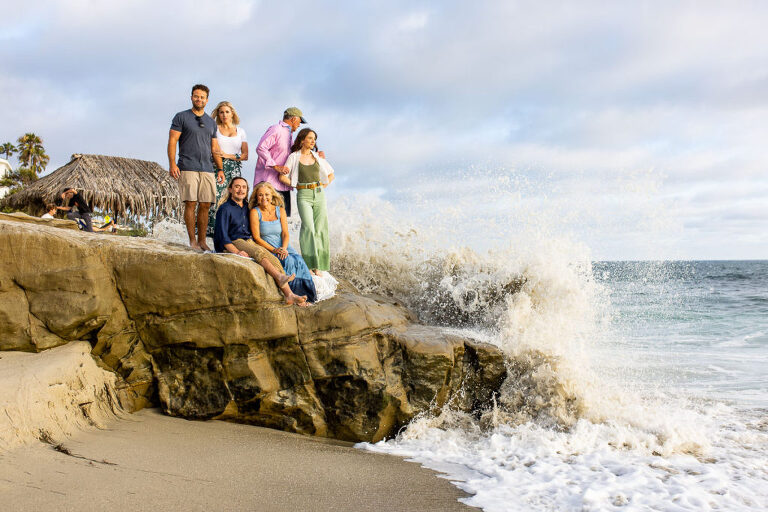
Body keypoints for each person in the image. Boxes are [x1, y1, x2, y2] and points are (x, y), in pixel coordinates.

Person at [214, 177, 307, 306]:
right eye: (237, 186)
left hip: (248, 241)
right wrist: (237, 251)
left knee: (274, 260)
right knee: (258, 251)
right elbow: (223, 236)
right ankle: (280, 278)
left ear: (247, 191)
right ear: (230, 189)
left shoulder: (247, 207)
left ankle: (289, 295)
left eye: (244, 187)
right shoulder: (225, 209)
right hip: (234, 241)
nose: (240, 190)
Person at [168, 84, 224, 251]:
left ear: (207, 100)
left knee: (206, 204)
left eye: (202, 97)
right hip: (188, 165)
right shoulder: (181, 117)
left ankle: (202, 241)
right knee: (191, 202)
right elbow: (172, 141)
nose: (199, 99)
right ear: (191, 97)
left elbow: (215, 148)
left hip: (207, 168)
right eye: (196, 96)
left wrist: (220, 168)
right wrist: (172, 163)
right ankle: (192, 241)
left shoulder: (210, 122)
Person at [250, 181, 317, 303]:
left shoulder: (280, 210)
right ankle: (293, 296)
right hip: (268, 247)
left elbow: (285, 233)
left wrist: (284, 248)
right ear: (256, 197)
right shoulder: (255, 212)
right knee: (288, 262)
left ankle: (308, 297)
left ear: (272, 196)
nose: (264, 197)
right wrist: (275, 250)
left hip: (284, 246)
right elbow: (257, 238)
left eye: (267, 194)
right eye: (260, 195)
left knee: (299, 261)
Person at [282, 128, 335, 275]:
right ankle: (309, 263)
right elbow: (282, 177)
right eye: (310, 138)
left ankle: (319, 265)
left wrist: (322, 186)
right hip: (303, 194)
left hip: (319, 194)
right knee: (309, 228)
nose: (313, 141)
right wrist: (296, 185)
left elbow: (331, 175)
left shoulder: (317, 157)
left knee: (320, 229)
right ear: (302, 140)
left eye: (314, 139)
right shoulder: (294, 157)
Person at [253, 107, 321, 217]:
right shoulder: (276, 129)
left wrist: (316, 154)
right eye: (299, 121)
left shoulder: (289, 135)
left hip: (283, 185)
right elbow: (261, 148)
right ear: (294, 119)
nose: (299, 125)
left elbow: (297, 153)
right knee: (267, 219)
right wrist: (275, 166)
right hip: (268, 184)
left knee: (285, 220)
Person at [207, 101, 248, 236]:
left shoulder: (240, 131)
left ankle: (233, 231)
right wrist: (221, 165)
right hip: (218, 167)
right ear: (218, 114)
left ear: (232, 114)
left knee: (235, 198)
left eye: (227, 112)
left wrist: (227, 155)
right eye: (221, 112)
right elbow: (215, 151)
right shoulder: (215, 129)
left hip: (235, 169)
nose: (224, 115)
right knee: (216, 199)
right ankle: (214, 232)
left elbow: (245, 155)